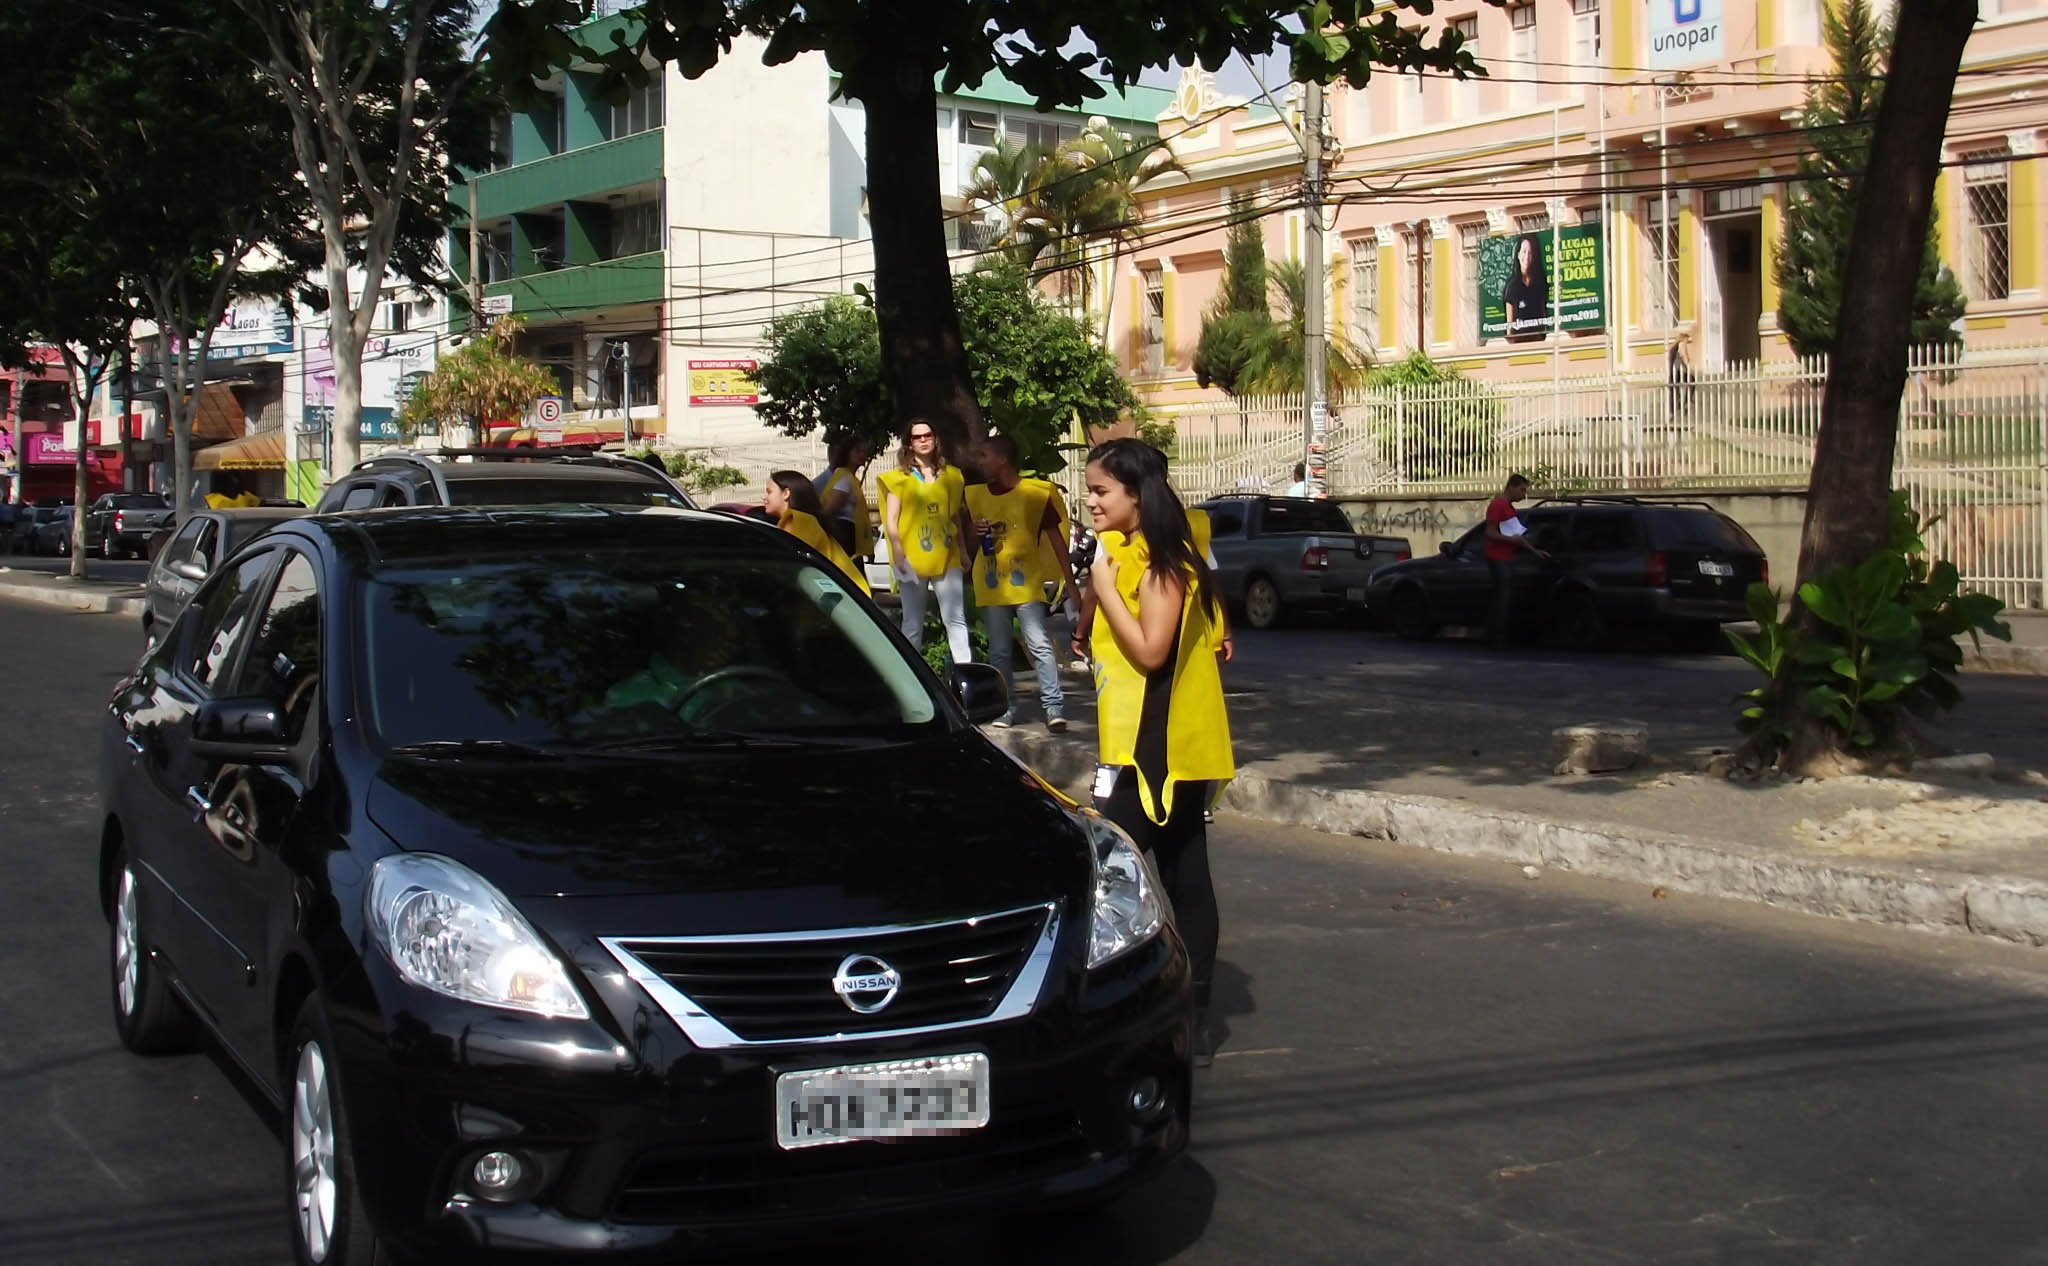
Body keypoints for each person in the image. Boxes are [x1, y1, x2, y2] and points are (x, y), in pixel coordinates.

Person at [1080, 438, 1234, 1038]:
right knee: (1181, 869)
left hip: (1162, 752)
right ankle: (1189, 1014)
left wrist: (1107, 590)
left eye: (1100, 491)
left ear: (1137, 497)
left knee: (1099, 868)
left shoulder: (1165, 563)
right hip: (1138, 747)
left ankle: (1127, 1004)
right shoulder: (1129, 551)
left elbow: (1150, 652)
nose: (1090, 501)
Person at [965, 436, 1068, 732]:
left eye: (984, 455)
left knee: (1038, 644)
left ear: (1002, 459)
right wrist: (974, 532)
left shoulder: (1034, 495)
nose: (980, 462)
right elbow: (972, 541)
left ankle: (1053, 707)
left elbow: (1056, 541)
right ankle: (1006, 708)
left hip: (1026, 583)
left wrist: (1070, 584)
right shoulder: (976, 496)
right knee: (999, 651)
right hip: (993, 584)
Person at [876, 419, 971, 664]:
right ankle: (910, 679)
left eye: (928, 435)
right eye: (917, 437)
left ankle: (964, 673)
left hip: (947, 554)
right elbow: (891, 520)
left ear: (935, 438)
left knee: (955, 618)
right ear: (909, 443)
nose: (923, 440)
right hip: (912, 558)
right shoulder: (900, 478)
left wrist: (963, 551)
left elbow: (954, 516)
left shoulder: (951, 475)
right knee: (912, 622)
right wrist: (898, 553)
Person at [765, 470, 871, 596]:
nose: (764, 497)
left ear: (786, 493)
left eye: (769, 492)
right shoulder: (804, 520)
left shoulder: (799, 521)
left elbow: (792, 567)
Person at [1482, 472, 1548, 649]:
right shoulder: (1498, 505)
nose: (1523, 495)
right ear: (1512, 486)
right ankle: (1496, 638)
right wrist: (1513, 541)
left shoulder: (1509, 508)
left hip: (1506, 557)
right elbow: (1490, 532)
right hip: (1497, 557)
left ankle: (1495, 636)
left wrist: (1534, 551)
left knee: (1502, 597)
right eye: (1522, 490)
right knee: (1502, 598)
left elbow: (1517, 535)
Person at [812, 435, 873, 558]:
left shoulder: (850, 478)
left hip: (848, 532)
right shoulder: (844, 478)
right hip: (843, 532)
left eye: (864, 451)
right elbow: (829, 510)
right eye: (858, 451)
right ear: (847, 453)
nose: (863, 454)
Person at [1501, 233, 1551, 339]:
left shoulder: (1540, 283)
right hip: (1519, 341)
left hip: (1539, 341)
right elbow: (1509, 324)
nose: (1526, 257)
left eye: (1530, 253)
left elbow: (1544, 314)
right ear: (1518, 255)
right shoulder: (1512, 287)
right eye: (1524, 252)